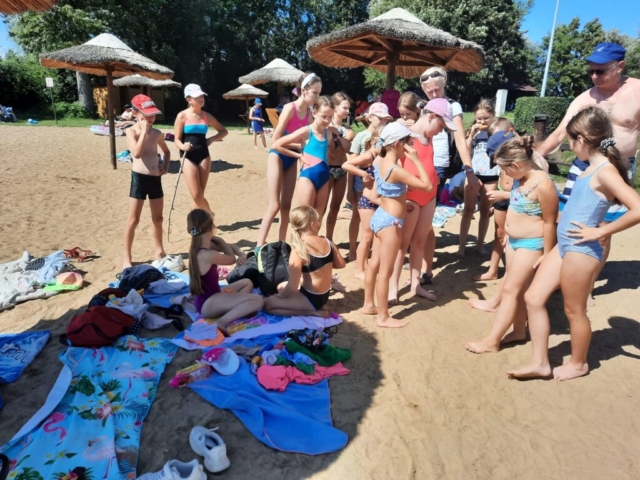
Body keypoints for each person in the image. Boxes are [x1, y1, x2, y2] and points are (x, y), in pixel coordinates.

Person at [507, 106, 640, 381]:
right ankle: (540, 363)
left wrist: (601, 232)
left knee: (574, 310)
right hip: (564, 246)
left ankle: (579, 364)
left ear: (581, 139)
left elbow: (637, 208)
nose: (568, 146)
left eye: (570, 140)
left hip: (582, 250)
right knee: (533, 297)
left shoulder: (605, 171)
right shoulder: (589, 167)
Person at [538, 43, 639, 305]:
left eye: (600, 71)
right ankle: (563, 273)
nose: (594, 76)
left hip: (618, 167)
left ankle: (587, 284)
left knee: (602, 229)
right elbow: (559, 133)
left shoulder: (637, 92)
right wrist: (534, 158)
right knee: (567, 219)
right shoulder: (585, 98)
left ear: (620, 66)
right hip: (583, 166)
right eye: (591, 71)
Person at [464, 136, 558, 354]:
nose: (504, 174)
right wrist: (509, 231)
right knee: (519, 290)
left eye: (505, 169)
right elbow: (517, 205)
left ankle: (492, 341)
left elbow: (549, 222)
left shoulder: (543, 185)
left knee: (509, 290)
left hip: (531, 244)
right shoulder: (521, 179)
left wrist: (546, 253)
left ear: (515, 165)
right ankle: (518, 331)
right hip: (514, 242)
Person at [360, 123, 432, 328]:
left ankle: (368, 304)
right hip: (391, 223)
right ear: (398, 144)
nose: (410, 146)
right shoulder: (396, 169)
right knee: (386, 271)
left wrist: (401, 200)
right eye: (408, 142)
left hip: (380, 216)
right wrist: (416, 160)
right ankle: (383, 316)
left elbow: (380, 194)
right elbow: (427, 186)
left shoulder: (380, 162)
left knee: (374, 265)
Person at [388, 98, 454, 304]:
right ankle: (392, 287)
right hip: (412, 196)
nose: (442, 130)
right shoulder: (406, 134)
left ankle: (415, 284)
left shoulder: (428, 136)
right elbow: (390, 161)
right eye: (441, 125)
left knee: (419, 241)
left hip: (429, 194)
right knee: (402, 244)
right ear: (431, 116)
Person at [420, 66, 475, 282]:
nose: (434, 94)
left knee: (426, 217)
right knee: (418, 216)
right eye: (429, 91)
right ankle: (420, 262)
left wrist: (469, 170)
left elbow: (460, 140)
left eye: (437, 89)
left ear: (445, 85)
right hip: (421, 163)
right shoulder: (424, 107)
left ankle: (425, 268)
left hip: (438, 166)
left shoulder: (453, 106)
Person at [257, 72, 321, 246]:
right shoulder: (289, 108)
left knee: (286, 206)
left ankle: (281, 245)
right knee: (274, 205)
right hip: (278, 156)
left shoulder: (309, 114)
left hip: (292, 159)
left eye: (319, 93)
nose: (317, 97)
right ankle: (258, 247)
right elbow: (275, 140)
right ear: (304, 90)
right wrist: (299, 148)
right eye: (315, 93)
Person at [188, 209, 264, 334]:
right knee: (258, 300)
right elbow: (230, 259)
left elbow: (230, 248)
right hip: (209, 303)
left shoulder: (200, 246)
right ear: (211, 227)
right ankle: (222, 321)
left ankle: (239, 308)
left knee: (247, 282)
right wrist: (222, 242)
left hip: (209, 298)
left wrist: (240, 253)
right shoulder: (206, 254)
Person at [264, 206, 345, 316]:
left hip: (310, 298)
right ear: (312, 224)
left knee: (268, 304)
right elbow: (341, 264)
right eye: (318, 221)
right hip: (323, 296)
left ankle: (312, 312)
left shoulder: (299, 249)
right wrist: (322, 264)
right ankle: (315, 306)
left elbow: (292, 287)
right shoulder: (327, 241)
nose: (319, 224)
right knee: (280, 286)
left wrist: (279, 296)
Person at [122, 95, 170, 269]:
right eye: (146, 115)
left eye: (153, 115)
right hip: (139, 179)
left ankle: (159, 251)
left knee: (158, 218)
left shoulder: (157, 133)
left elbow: (167, 151)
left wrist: (165, 166)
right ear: (135, 113)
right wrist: (143, 132)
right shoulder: (131, 132)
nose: (151, 118)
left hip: (155, 179)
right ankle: (127, 257)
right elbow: (136, 153)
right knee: (133, 220)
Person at [345, 103, 392, 265]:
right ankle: (353, 249)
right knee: (357, 216)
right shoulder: (361, 136)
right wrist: (349, 188)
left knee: (372, 220)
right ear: (370, 117)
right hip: (361, 181)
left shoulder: (386, 135)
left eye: (385, 119)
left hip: (376, 184)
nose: (383, 121)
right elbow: (352, 163)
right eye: (380, 118)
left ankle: (369, 253)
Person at [271, 95, 334, 215]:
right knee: (305, 217)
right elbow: (276, 145)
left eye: (330, 117)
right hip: (308, 177)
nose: (327, 120)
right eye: (324, 116)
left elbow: (325, 155)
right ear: (314, 113)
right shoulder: (306, 131)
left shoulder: (328, 134)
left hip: (324, 177)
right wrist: (298, 156)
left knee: (318, 217)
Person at [174, 84, 228, 212]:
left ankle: (199, 220)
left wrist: (211, 139)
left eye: (201, 96)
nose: (200, 98)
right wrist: (182, 146)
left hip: (204, 155)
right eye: (196, 96)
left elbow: (223, 131)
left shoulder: (206, 116)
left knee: (200, 195)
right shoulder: (182, 116)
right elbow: (176, 139)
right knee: (196, 195)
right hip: (187, 156)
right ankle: (210, 215)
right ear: (189, 99)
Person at [456, 99, 498, 257]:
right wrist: (471, 135)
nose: (482, 121)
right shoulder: (473, 132)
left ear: (493, 116)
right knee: (468, 210)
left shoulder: (496, 131)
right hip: (473, 174)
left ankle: (480, 245)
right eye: (479, 118)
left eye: (486, 118)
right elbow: (465, 151)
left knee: (485, 211)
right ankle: (461, 247)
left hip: (491, 175)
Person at [343, 126, 384, 279]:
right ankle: (359, 269)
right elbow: (346, 165)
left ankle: (366, 264)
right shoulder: (368, 156)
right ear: (375, 142)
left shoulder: (381, 156)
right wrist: (363, 174)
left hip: (377, 200)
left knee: (373, 236)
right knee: (367, 236)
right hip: (367, 201)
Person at [324, 92, 355, 242]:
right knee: (322, 207)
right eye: (345, 108)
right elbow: (334, 152)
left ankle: (329, 239)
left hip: (341, 169)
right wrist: (345, 139)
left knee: (335, 207)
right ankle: (315, 239)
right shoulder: (329, 128)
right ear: (335, 107)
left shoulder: (345, 128)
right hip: (329, 168)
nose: (348, 111)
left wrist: (344, 140)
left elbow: (348, 149)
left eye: (348, 108)